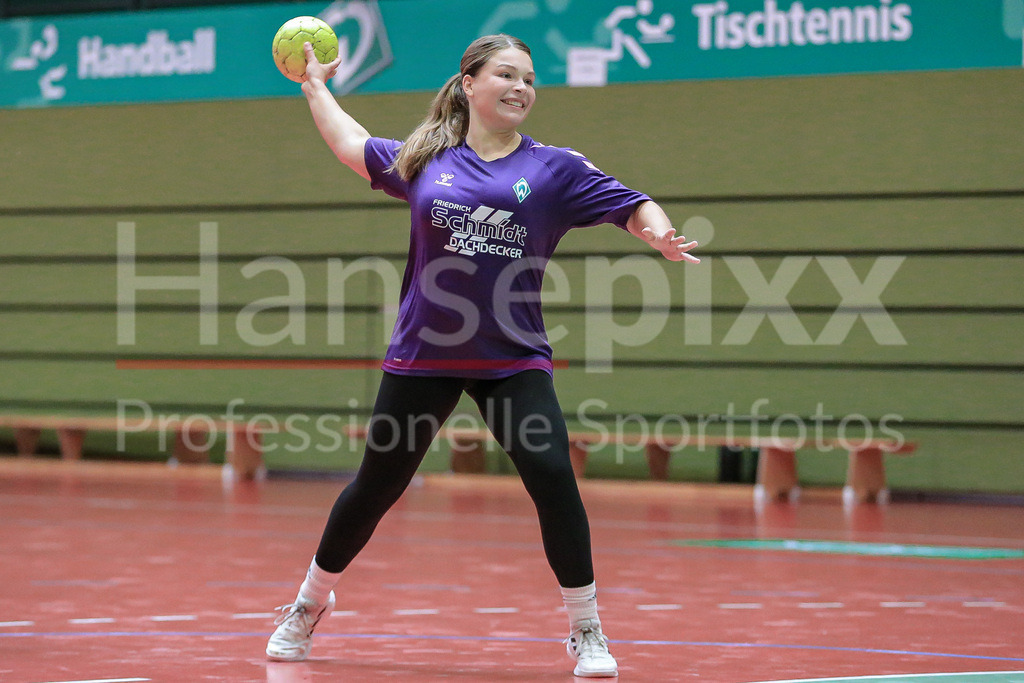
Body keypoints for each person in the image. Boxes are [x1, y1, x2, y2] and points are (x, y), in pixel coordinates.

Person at [266, 33, 699, 678]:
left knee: (553, 476)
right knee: (375, 487)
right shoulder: (424, 159)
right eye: (506, 74)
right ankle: (306, 605)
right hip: (425, 354)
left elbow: (630, 204)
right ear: (469, 83)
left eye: (529, 79)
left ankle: (587, 630)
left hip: (512, 357)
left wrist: (658, 232)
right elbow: (351, 145)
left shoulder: (554, 169)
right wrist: (316, 88)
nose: (522, 87)